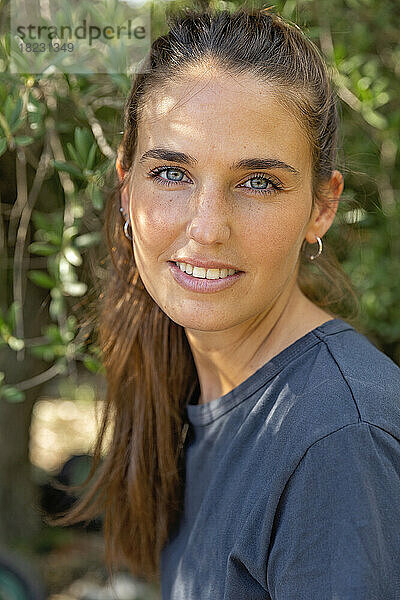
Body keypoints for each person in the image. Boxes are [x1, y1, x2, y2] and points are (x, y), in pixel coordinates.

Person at [48, 7, 400, 599]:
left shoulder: (339, 441)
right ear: (126, 186)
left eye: (258, 182)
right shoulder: (196, 386)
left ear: (322, 206)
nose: (208, 228)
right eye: (171, 173)